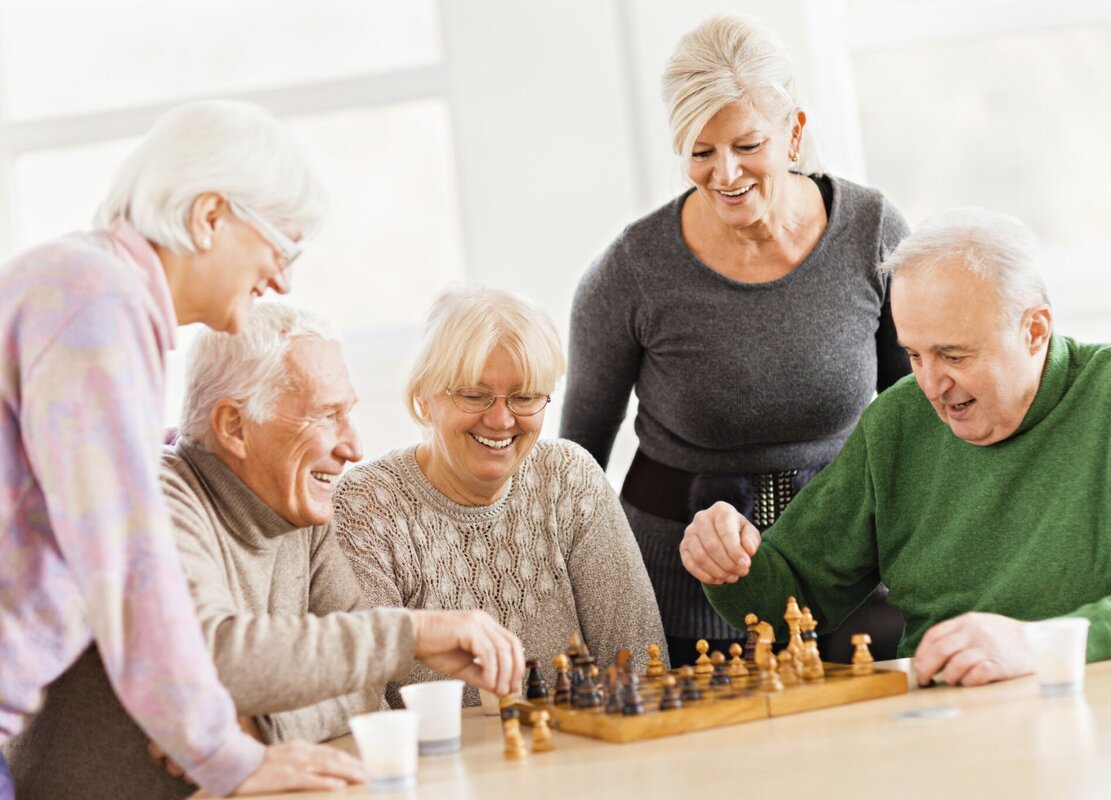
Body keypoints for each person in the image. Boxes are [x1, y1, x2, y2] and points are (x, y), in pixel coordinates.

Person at [8, 303, 526, 798]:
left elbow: (366, 685)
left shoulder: (301, 509)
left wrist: (260, 726)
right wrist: (409, 633)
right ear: (234, 425)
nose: (354, 447)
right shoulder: (151, 501)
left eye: (349, 413)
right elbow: (201, 660)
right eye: (327, 416)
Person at [0, 99, 363, 798]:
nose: (281, 280)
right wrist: (228, 756)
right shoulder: (96, 302)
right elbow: (129, 571)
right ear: (210, 216)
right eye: (279, 249)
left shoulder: (87, 286)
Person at [680, 207, 1111, 687]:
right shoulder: (897, 421)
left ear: (1035, 330)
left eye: (953, 355)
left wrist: (1040, 644)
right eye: (915, 355)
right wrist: (729, 558)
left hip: (1106, 708)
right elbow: (791, 598)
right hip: (944, 716)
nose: (931, 385)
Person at [561, 13, 910, 667]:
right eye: (700, 151)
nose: (724, 173)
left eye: (747, 145)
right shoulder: (634, 269)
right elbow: (573, 471)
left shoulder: (872, 231)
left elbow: (917, 418)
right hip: (680, 593)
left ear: (794, 132)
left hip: (846, 574)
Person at [335, 286, 666, 706]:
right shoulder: (365, 507)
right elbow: (363, 707)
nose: (500, 419)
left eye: (525, 396)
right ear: (424, 397)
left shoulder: (570, 479)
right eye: (474, 395)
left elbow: (640, 666)